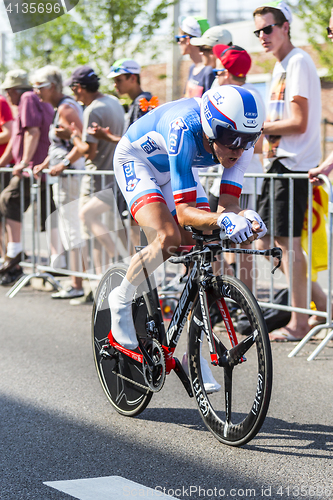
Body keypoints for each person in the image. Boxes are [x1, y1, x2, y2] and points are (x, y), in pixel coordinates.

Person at [109, 85, 266, 393]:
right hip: (138, 162)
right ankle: (121, 299)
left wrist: (243, 218)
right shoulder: (184, 127)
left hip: (176, 168)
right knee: (169, 238)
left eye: (249, 139)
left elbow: (228, 206)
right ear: (209, 127)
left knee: (210, 249)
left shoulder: (241, 141)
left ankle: (194, 352)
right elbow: (183, 214)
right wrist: (222, 220)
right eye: (230, 138)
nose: (238, 149)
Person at [253, 1, 323, 341]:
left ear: (285, 27)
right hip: (277, 162)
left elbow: (298, 122)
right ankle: (320, 305)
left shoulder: (297, 62)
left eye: (267, 28)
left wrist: (260, 128)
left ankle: (300, 321)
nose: (262, 36)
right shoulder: (280, 66)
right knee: (268, 239)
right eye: (258, 31)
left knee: (288, 244)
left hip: (294, 163)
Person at [79, 59, 159, 270]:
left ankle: (136, 281)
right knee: (133, 235)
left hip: (138, 177)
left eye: (119, 80)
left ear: (133, 78)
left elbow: (141, 144)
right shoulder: (137, 102)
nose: (115, 85)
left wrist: (108, 137)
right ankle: (132, 277)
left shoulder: (145, 102)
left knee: (138, 237)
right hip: (132, 176)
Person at [208, 45, 265, 290]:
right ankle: (222, 293)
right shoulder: (227, 95)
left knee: (243, 242)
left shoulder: (249, 98)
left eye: (218, 71)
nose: (215, 76)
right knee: (215, 239)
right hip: (221, 178)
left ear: (228, 73)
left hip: (245, 177)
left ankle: (244, 303)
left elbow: (260, 145)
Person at [63, 66, 125, 278]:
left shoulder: (92, 110)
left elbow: (89, 153)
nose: (73, 93)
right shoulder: (113, 102)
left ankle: (115, 260)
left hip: (96, 176)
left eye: (73, 88)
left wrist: (73, 137)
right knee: (100, 232)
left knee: (89, 226)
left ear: (79, 88)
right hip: (113, 175)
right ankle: (101, 282)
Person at [32, 65, 86, 299]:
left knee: (72, 228)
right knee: (69, 227)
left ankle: (77, 284)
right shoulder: (60, 107)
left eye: (39, 87)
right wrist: (46, 163)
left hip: (69, 177)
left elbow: (83, 143)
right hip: (62, 176)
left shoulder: (66, 108)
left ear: (52, 86)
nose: (36, 92)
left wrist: (63, 163)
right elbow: (59, 145)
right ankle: (77, 282)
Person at [0, 69, 54, 284]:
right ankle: (54, 265)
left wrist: (24, 162)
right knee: (48, 215)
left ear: (14, 90)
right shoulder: (34, 99)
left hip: (33, 167)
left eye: (7, 91)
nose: (7, 96)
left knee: (8, 198)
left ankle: (15, 251)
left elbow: (33, 132)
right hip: (39, 167)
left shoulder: (26, 98)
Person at [176, 16, 213, 97]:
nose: (178, 43)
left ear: (187, 40)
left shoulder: (209, 71)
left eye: (178, 39)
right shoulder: (192, 67)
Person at [0, 93, 13, 264]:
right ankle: (4, 259)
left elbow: (9, 133)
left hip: (3, 168)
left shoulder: (1, 102)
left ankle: (9, 260)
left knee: (4, 215)